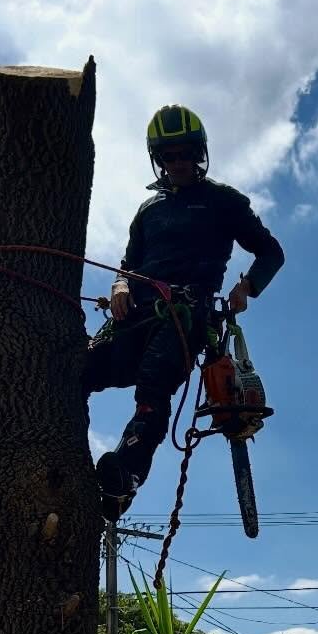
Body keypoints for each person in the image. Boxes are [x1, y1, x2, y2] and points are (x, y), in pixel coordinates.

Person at [84, 104, 284, 519]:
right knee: (78, 369)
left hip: (185, 316)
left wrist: (247, 286)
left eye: (185, 153)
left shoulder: (224, 202)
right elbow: (128, 262)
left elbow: (271, 252)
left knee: (153, 390)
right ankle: (64, 460)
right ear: (157, 160)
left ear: (200, 153)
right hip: (134, 314)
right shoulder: (149, 210)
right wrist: (120, 284)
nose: (177, 163)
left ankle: (125, 477)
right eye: (168, 156)